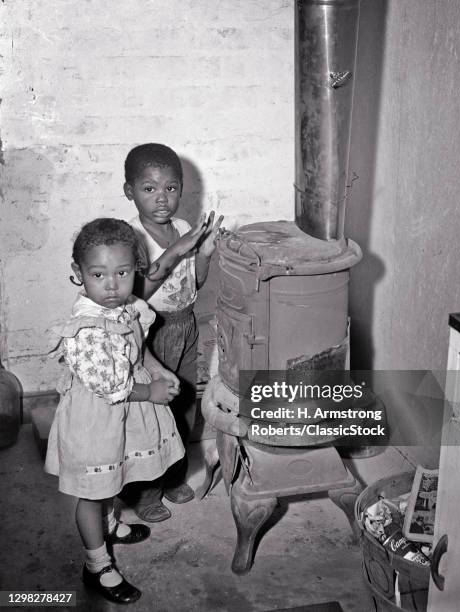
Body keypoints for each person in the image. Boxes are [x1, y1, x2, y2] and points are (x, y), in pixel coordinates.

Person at [45, 218, 192, 604]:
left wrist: (158, 369)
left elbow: (139, 345)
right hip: (97, 417)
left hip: (124, 412)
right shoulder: (86, 329)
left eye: (123, 273)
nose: (112, 285)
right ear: (79, 273)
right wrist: (152, 391)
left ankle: (110, 524)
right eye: (99, 274)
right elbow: (113, 388)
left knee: (114, 473)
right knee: (92, 494)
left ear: (135, 270)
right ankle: (97, 565)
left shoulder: (127, 306)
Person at [123, 143, 223, 523]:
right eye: (149, 189)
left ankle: (172, 476)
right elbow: (139, 295)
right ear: (129, 191)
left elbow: (194, 282)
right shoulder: (131, 239)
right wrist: (181, 249)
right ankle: (146, 491)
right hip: (152, 331)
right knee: (153, 410)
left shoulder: (182, 228)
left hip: (186, 322)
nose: (162, 198)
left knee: (184, 405)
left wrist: (204, 253)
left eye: (171, 188)